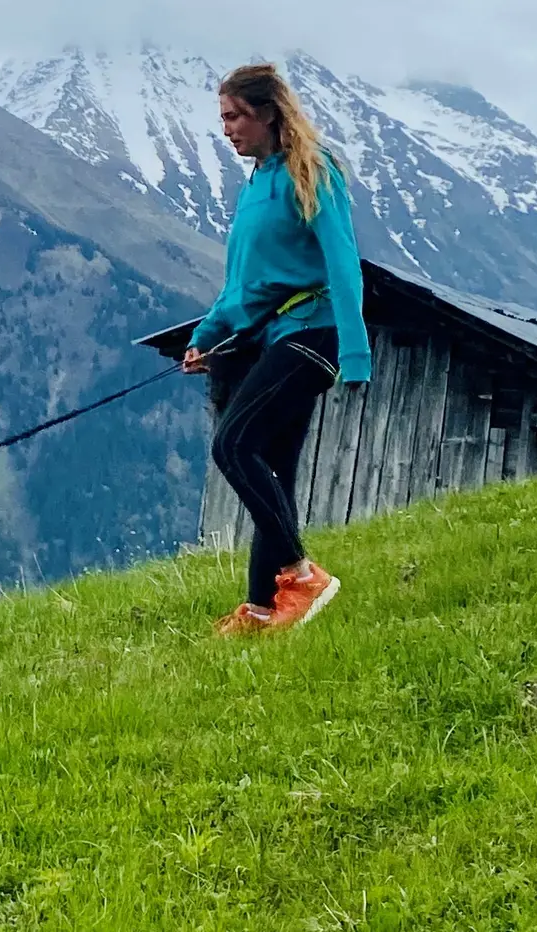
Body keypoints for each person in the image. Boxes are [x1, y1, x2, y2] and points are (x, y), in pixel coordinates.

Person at [181, 62, 371, 637]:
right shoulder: (256, 184)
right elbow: (246, 284)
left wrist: (355, 351)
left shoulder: (310, 171)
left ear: (267, 113)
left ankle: (301, 573)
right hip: (276, 336)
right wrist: (204, 337)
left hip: (315, 334)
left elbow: (343, 264)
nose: (227, 128)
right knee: (273, 470)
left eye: (235, 116)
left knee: (234, 445)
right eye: (222, 118)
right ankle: (264, 609)